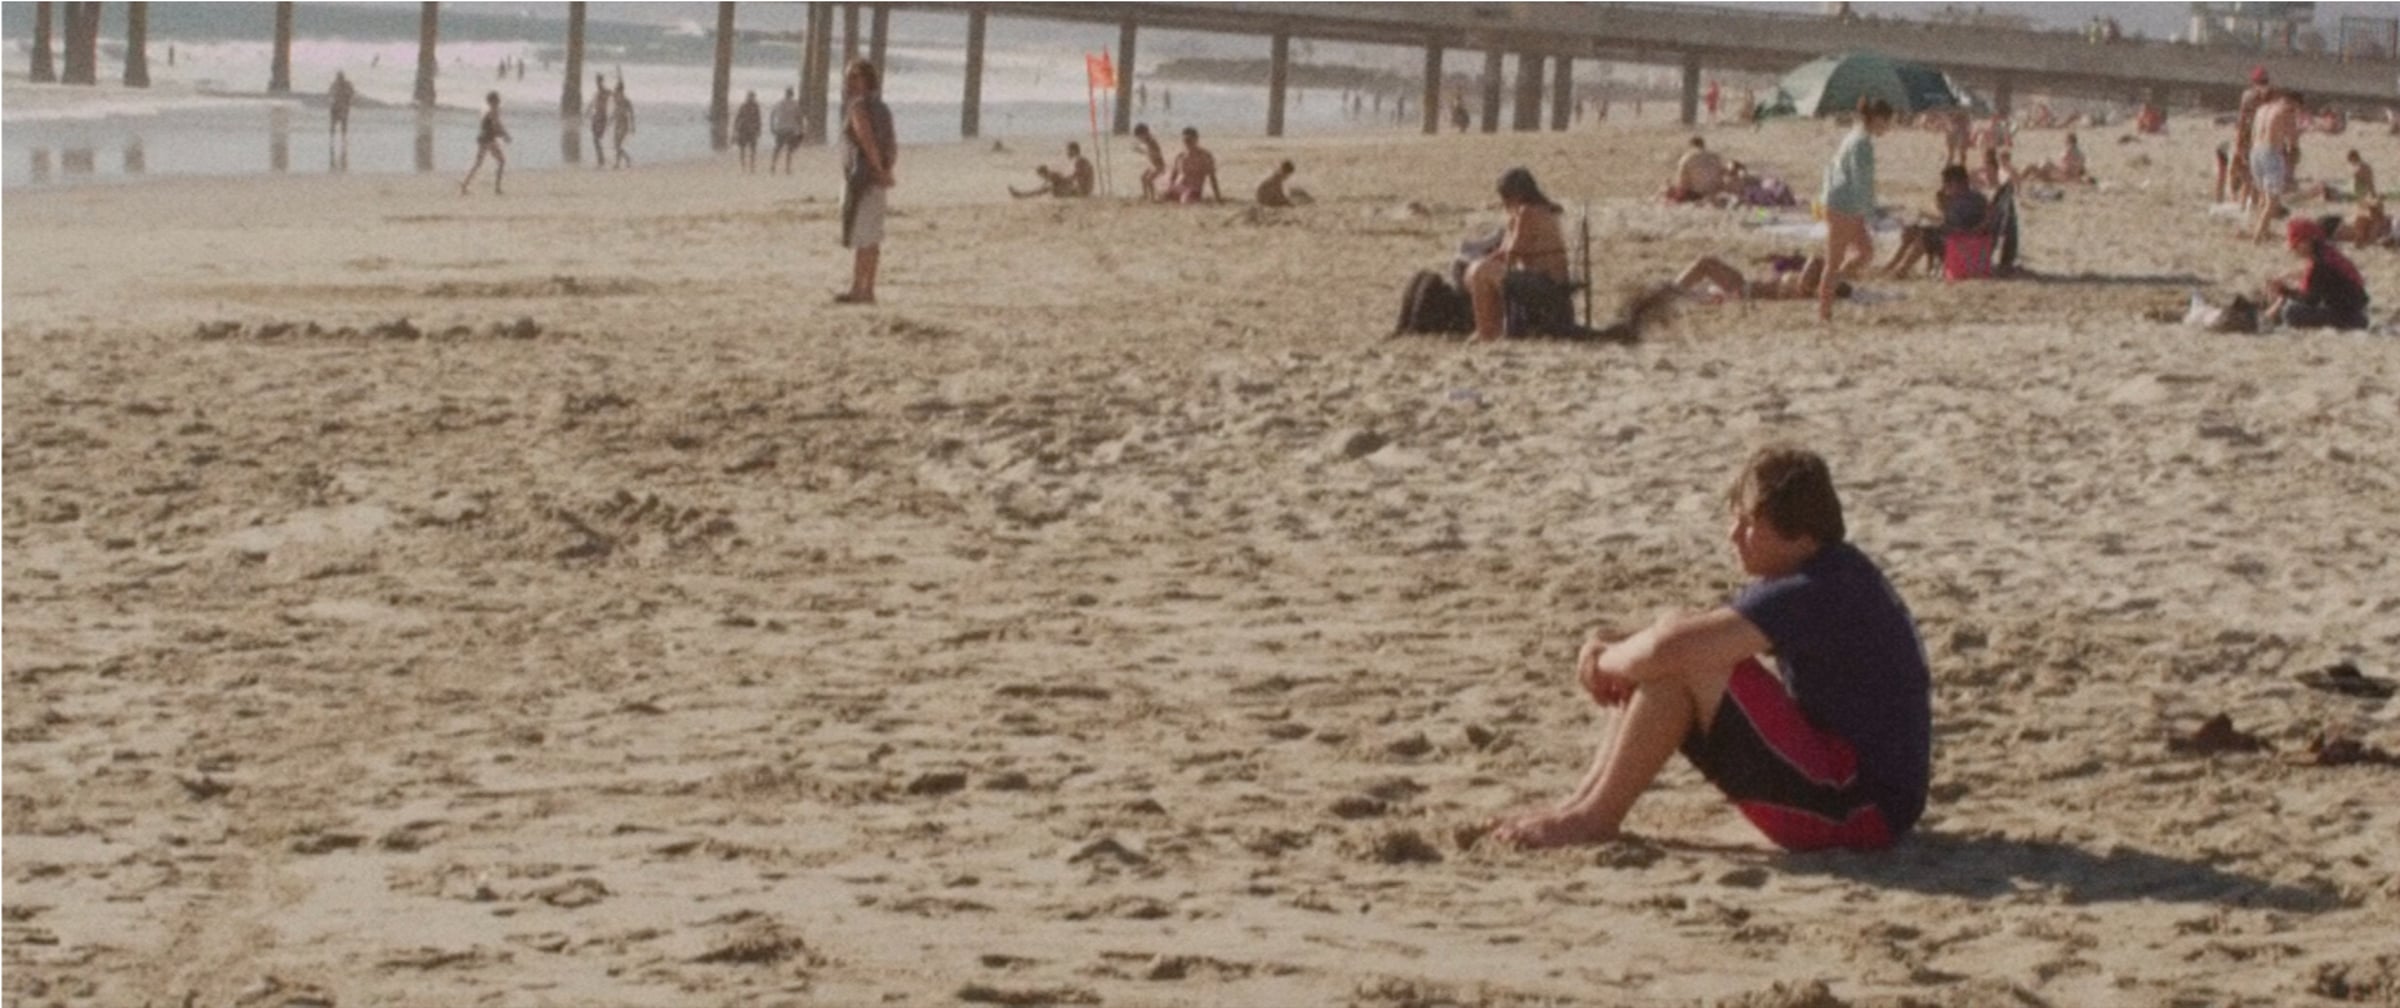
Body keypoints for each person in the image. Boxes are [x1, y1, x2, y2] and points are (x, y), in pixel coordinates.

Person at [1488, 447, 1931, 852]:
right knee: (1676, 649)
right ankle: (1580, 807)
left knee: (1680, 659)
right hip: (1863, 796)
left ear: (1802, 536)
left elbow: (1673, 647)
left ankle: (1592, 818)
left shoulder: (1814, 587)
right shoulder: (1831, 571)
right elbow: (1688, 634)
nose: (1733, 535)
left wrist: (1604, 661)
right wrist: (1618, 646)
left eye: (1750, 524)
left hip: (1856, 809)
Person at [1463, 167, 1572, 342]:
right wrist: (1483, 263)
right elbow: (1504, 251)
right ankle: (1490, 328)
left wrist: (1484, 266)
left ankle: (1487, 332)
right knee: (1477, 270)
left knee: (1481, 272)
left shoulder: (1528, 212)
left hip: (1546, 282)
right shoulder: (1532, 211)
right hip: (1540, 279)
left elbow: (1513, 252)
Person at [1820, 97, 1895, 322]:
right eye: (1887, 122)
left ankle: (1834, 284)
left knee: (1865, 253)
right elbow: (1861, 182)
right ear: (1878, 119)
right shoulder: (1860, 142)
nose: (1888, 127)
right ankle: (1825, 311)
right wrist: (1871, 212)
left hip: (1848, 205)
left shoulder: (1857, 137)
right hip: (1842, 205)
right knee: (1834, 260)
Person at [837, 59, 897, 306]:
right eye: (848, 77)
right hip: (877, 177)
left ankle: (859, 289)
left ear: (867, 79)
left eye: (855, 77)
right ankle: (867, 288)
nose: (849, 82)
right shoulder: (882, 108)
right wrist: (887, 169)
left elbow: (867, 140)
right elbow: (891, 143)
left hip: (861, 178)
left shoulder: (857, 106)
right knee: (872, 236)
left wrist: (880, 170)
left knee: (862, 235)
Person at [1882, 164, 1988, 277]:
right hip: (1969, 242)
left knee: (1925, 236)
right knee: (1915, 231)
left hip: (1961, 246)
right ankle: (1893, 266)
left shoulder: (1960, 202)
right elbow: (1955, 224)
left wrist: (1943, 209)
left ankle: (1901, 269)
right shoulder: (1977, 197)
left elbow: (1951, 227)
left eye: (1946, 184)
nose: (1945, 188)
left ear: (1955, 183)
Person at [2266, 216, 2370, 329]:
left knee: (2290, 312)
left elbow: (2309, 300)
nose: (2294, 251)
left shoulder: (2319, 264)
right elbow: (2309, 281)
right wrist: (2285, 282)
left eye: (2295, 246)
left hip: (2350, 317)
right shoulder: (2326, 253)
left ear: (2306, 243)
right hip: (2354, 310)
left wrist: (2284, 291)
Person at [1676, 252, 1845, 302]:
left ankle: (1673, 290)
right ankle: (1675, 288)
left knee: (1706, 262)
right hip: (1745, 286)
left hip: (1744, 290)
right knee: (1705, 265)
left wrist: (1831, 266)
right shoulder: (1805, 282)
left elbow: (1815, 259)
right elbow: (1813, 261)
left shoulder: (1806, 287)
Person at [2251, 89, 2301, 242]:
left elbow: (2254, 132)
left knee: (2263, 197)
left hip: (2255, 151)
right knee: (2272, 200)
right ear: (2294, 102)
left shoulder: (2262, 109)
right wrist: (2294, 153)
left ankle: (2264, 230)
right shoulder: (2286, 110)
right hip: (2271, 152)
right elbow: (2292, 137)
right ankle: (2258, 236)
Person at [2233, 67, 2273, 206]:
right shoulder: (2271, 96)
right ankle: (2253, 201)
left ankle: (2246, 201)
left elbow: (2242, 118)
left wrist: (2238, 139)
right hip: (2263, 135)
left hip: (2251, 134)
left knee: (2249, 171)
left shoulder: (2248, 95)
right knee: (2258, 170)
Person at [459, 90, 510, 195]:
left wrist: (503, 134)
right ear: (493, 102)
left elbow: (494, 126)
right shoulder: (493, 112)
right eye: (497, 100)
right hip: (488, 139)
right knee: (501, 161)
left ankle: (465, 184)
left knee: (479, 163)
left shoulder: (490, 112)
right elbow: (496, 125)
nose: (498, 102)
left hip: (485, 139)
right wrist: (505, 135)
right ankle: (497, 188)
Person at [1010, 141, 1093, 198]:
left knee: (1051, 187)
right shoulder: (1080, 161)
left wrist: (1058, 179)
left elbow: (1074, 178)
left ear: (1074, 150)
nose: (1067, 153)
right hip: (1081, 189)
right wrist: (1058, 178)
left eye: (1068, 150)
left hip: (1082, 192)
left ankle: (1024, 195)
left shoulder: (1081, 162)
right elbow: (1074, 178)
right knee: (1052, 183)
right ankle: (1025, 195)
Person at [1164, 127, 1221, 204]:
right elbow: (1173, 175)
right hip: (1180, 186)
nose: (1187, 143)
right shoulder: (1180, 156)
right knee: (1161, 197)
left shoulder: (1204, 156)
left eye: (1189, 140)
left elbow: (1212, 177)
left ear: (1196, 139)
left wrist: (1218, 197)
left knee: (1185, 201)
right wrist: (1169, 187)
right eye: (1185, 141)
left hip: (1194, 189)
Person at [1665, 135, 1726, 203]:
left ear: (1691, 145)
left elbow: (1683, 182)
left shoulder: (1687, 158)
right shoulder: (1715, 157)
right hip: (1715, 191)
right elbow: (1722, 175)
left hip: (1696, 194)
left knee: (1667, 189)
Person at [771, 87, 804, 174]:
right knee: (789, 150)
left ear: (785, 94)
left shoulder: (779, 103)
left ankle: (773, 165)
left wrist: (772, 127)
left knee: (778, 148)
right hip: (790, 129)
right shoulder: (795, 105)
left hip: (780, 129)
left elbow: (772, 114)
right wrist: (801, 129)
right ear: (792, 94)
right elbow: (799, 117)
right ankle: (787, 168)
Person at [1131, 123, 1166, 200]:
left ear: (1145, 134)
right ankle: (1145, 195)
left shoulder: (1152, 142)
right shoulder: (1147, 141)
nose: (1139, 139)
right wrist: (1139, 150)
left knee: (1149, 180)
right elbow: (1147, 152)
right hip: (1153, 164)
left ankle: (1153, 197)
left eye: (1140, 137)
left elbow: (1156, 153)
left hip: (1159, 165)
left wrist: (1141, 150)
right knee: (1143, 178)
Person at [733, 90, 763, 173]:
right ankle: (744, 166)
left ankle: (751, 166)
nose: (751, 98)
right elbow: (738, 118)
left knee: (752, 149)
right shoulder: (744, 106)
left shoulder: (755, 107)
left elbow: (758, 119)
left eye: (752, 97)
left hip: (750, 131)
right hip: (744, 130)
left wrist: (759, 129)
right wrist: (735, 130)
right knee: (743, 149)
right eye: (751, 97)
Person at [610, 81, 636, 169]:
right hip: (617, 124)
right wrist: (610, 120)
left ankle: (620, 162)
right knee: (616, 145)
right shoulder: (617, 100)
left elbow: (631, 113)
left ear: (621, 91)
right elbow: (615, 111)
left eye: (618, 91)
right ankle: (624, 160)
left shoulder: (626, 101)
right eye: (617, 91)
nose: (617, 93)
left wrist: (633, 126)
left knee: (618, 144)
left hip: (624, 124)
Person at [588, 74, 611, 170]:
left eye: (598, 81)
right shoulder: (598, 93)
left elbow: (613, 95)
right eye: (596, 81)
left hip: (601, 117)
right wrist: (587, 112)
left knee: (597, 139)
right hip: (596, 117)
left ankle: (601, 160)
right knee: (595, 139)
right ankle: (601, 159)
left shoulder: (605, 91)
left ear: (601, 81)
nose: (597, 83)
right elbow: (593, 103)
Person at [328, 71, 355, 144]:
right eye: (339, 77)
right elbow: (330, 94)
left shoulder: (345, 84)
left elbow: (352, 94)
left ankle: (341, 139)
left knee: (342, 124)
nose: (339, 79)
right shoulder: (335, 84)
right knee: (334, 124)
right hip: (336, 107)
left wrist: (349, 100)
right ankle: (333, 139)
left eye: (340, 77)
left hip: (342, 107)